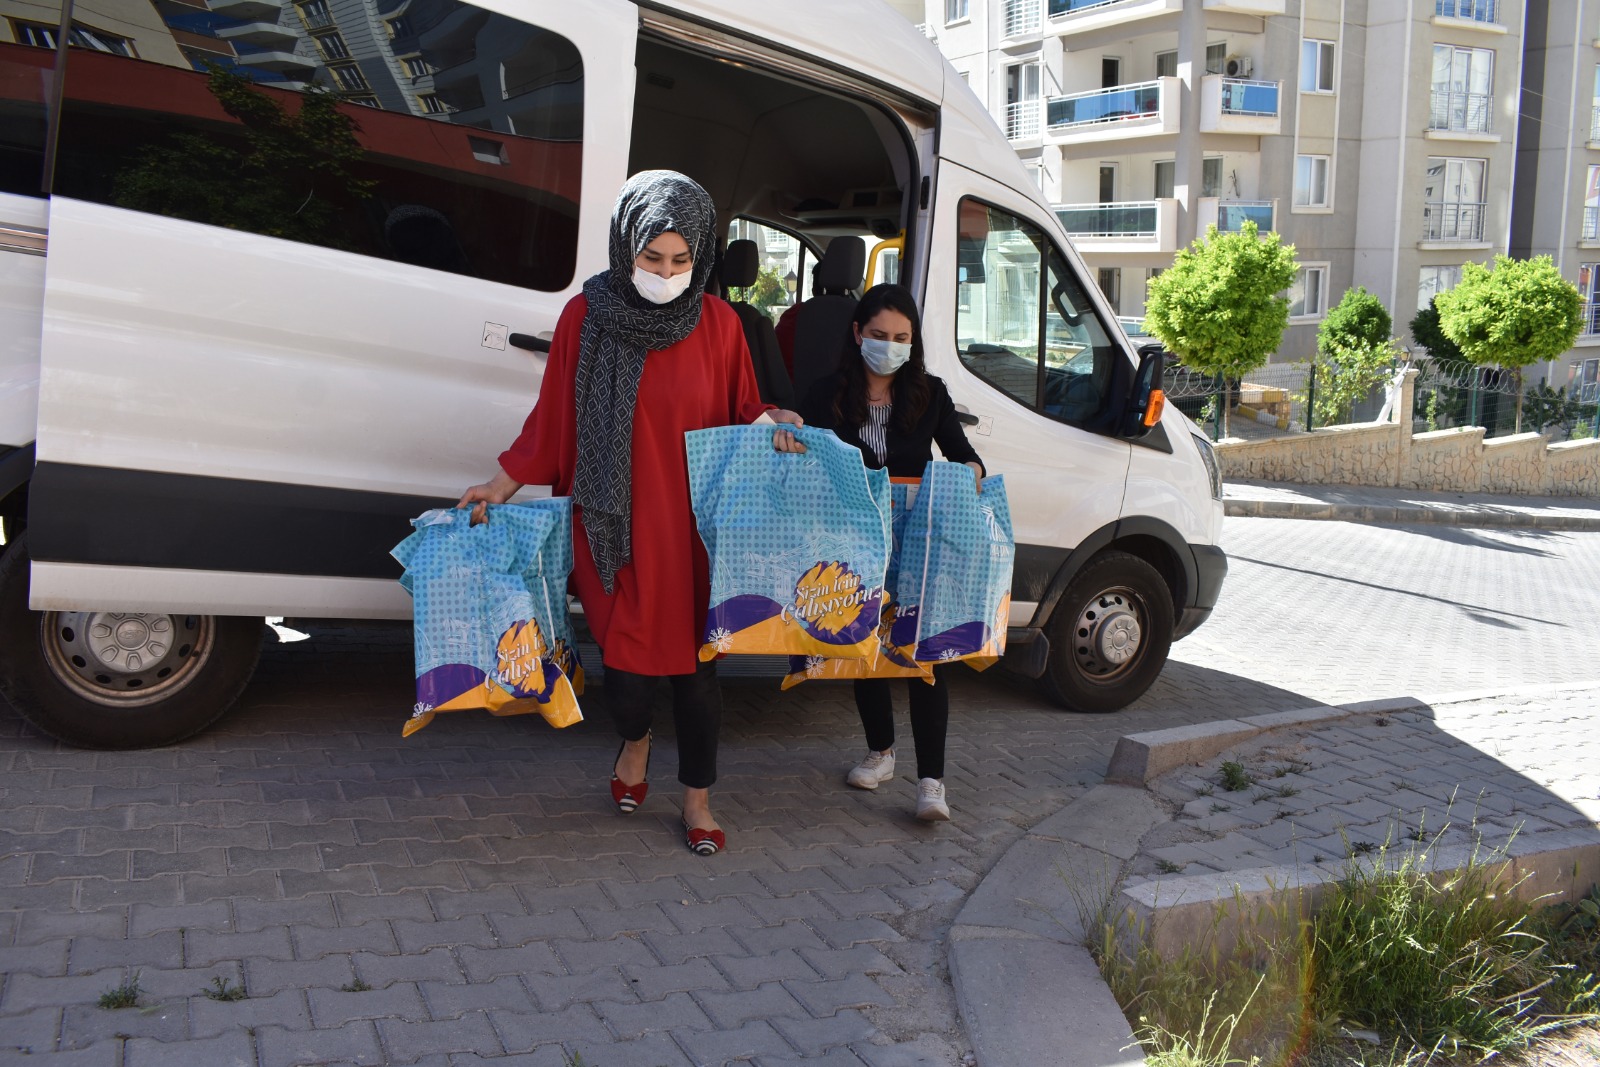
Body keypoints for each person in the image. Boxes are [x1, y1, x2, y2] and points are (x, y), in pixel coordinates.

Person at [459, 170, 804, 856]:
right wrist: (501, 483)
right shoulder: (586, 317)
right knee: (627, 675)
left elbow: (744, 407)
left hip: (693, 533)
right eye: (653, 258)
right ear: (626, 247)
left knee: (699, 673)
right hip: (613, 524)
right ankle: (635, 742)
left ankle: (698, 800)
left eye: (680, 261)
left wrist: (774, 419)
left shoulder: (721, 324)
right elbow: (554, 415)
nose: (666, 273)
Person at [775, 283, 985, 822]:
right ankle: (881, 753)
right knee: (865, 645)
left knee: (926, 655)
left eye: (901, 338)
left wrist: (971, 473)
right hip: (853, 538)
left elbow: (965, 456)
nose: (889, 346)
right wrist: (787, 434)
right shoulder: (825, 393)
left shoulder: (930, 393)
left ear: (912, 342)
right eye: (878, 335)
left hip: (918, 539)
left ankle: (932, 783)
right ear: (857, 334)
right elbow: (801, 454)